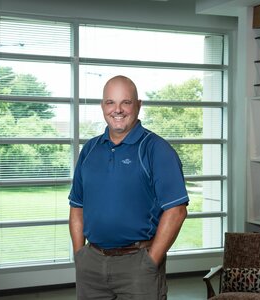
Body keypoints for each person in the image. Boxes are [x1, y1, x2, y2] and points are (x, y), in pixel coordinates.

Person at [68, 75, 189, 299]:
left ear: (138, 105)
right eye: (110, 102)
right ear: (103, 106)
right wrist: (79, 255)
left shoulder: (156, 150)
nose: (118, 110)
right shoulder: (90, 150)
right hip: (91, 264)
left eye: (126, 102)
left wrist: (151, 260)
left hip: (138, 264)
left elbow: (177, 210)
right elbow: (77, 205)